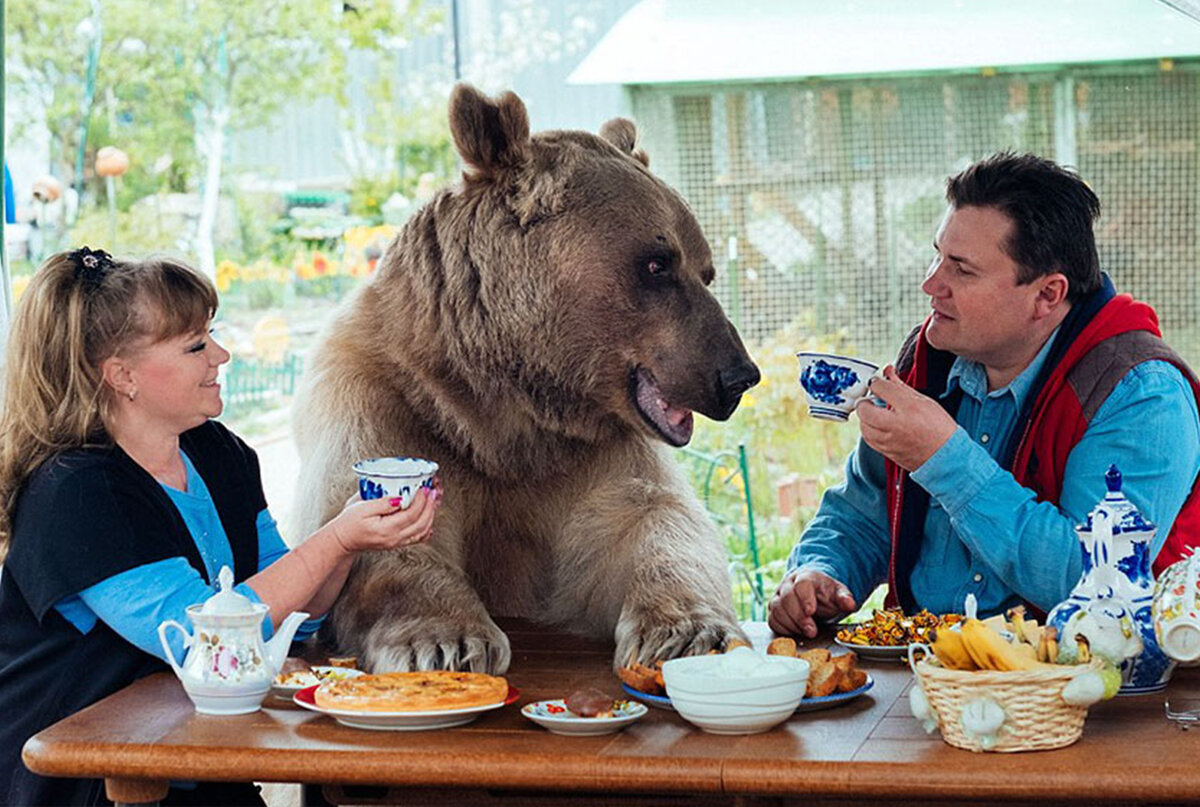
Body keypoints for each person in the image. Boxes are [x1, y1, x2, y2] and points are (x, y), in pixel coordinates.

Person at [0, 248, 442, 806]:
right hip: (88, 782)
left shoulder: (216, 450)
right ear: (121, 375)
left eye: (213, 334)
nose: (222, 354)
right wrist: (338, 537)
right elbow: (208, 642)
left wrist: (358, 538)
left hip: (193, 759)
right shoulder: (77, 493)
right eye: (195, 346)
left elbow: (294, 618)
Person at [769, 152, 1200, 638]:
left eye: (962, 270)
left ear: (1048, 295)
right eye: (937, 255)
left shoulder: (1141, 394)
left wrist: (942, 457)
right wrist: (819, 573)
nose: (931, 283)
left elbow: (1098, 586)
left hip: (1083, 694)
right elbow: (864, 511)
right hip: (924, 675)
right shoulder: (927, 360)